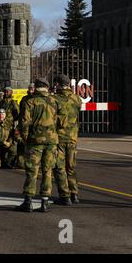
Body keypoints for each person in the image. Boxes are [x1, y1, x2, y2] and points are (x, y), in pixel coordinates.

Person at [17, 78, 60, 213]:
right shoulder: (54, 101)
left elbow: (25, 123)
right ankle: (45, 201)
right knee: (47, 171)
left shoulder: (30, 101)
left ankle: (28, 201)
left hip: (35, 141)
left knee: (32, 171)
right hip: (51, 141)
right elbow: (58, 121)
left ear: (36, 87)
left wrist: (25, 139)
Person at [54, 74, 82, 205]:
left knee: (60, 168)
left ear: (58, 84)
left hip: (59, 138)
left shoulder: (54, 99)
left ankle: (65, 196)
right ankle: (74, 193)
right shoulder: (76, 99)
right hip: (72, 138)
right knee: (70, 167)